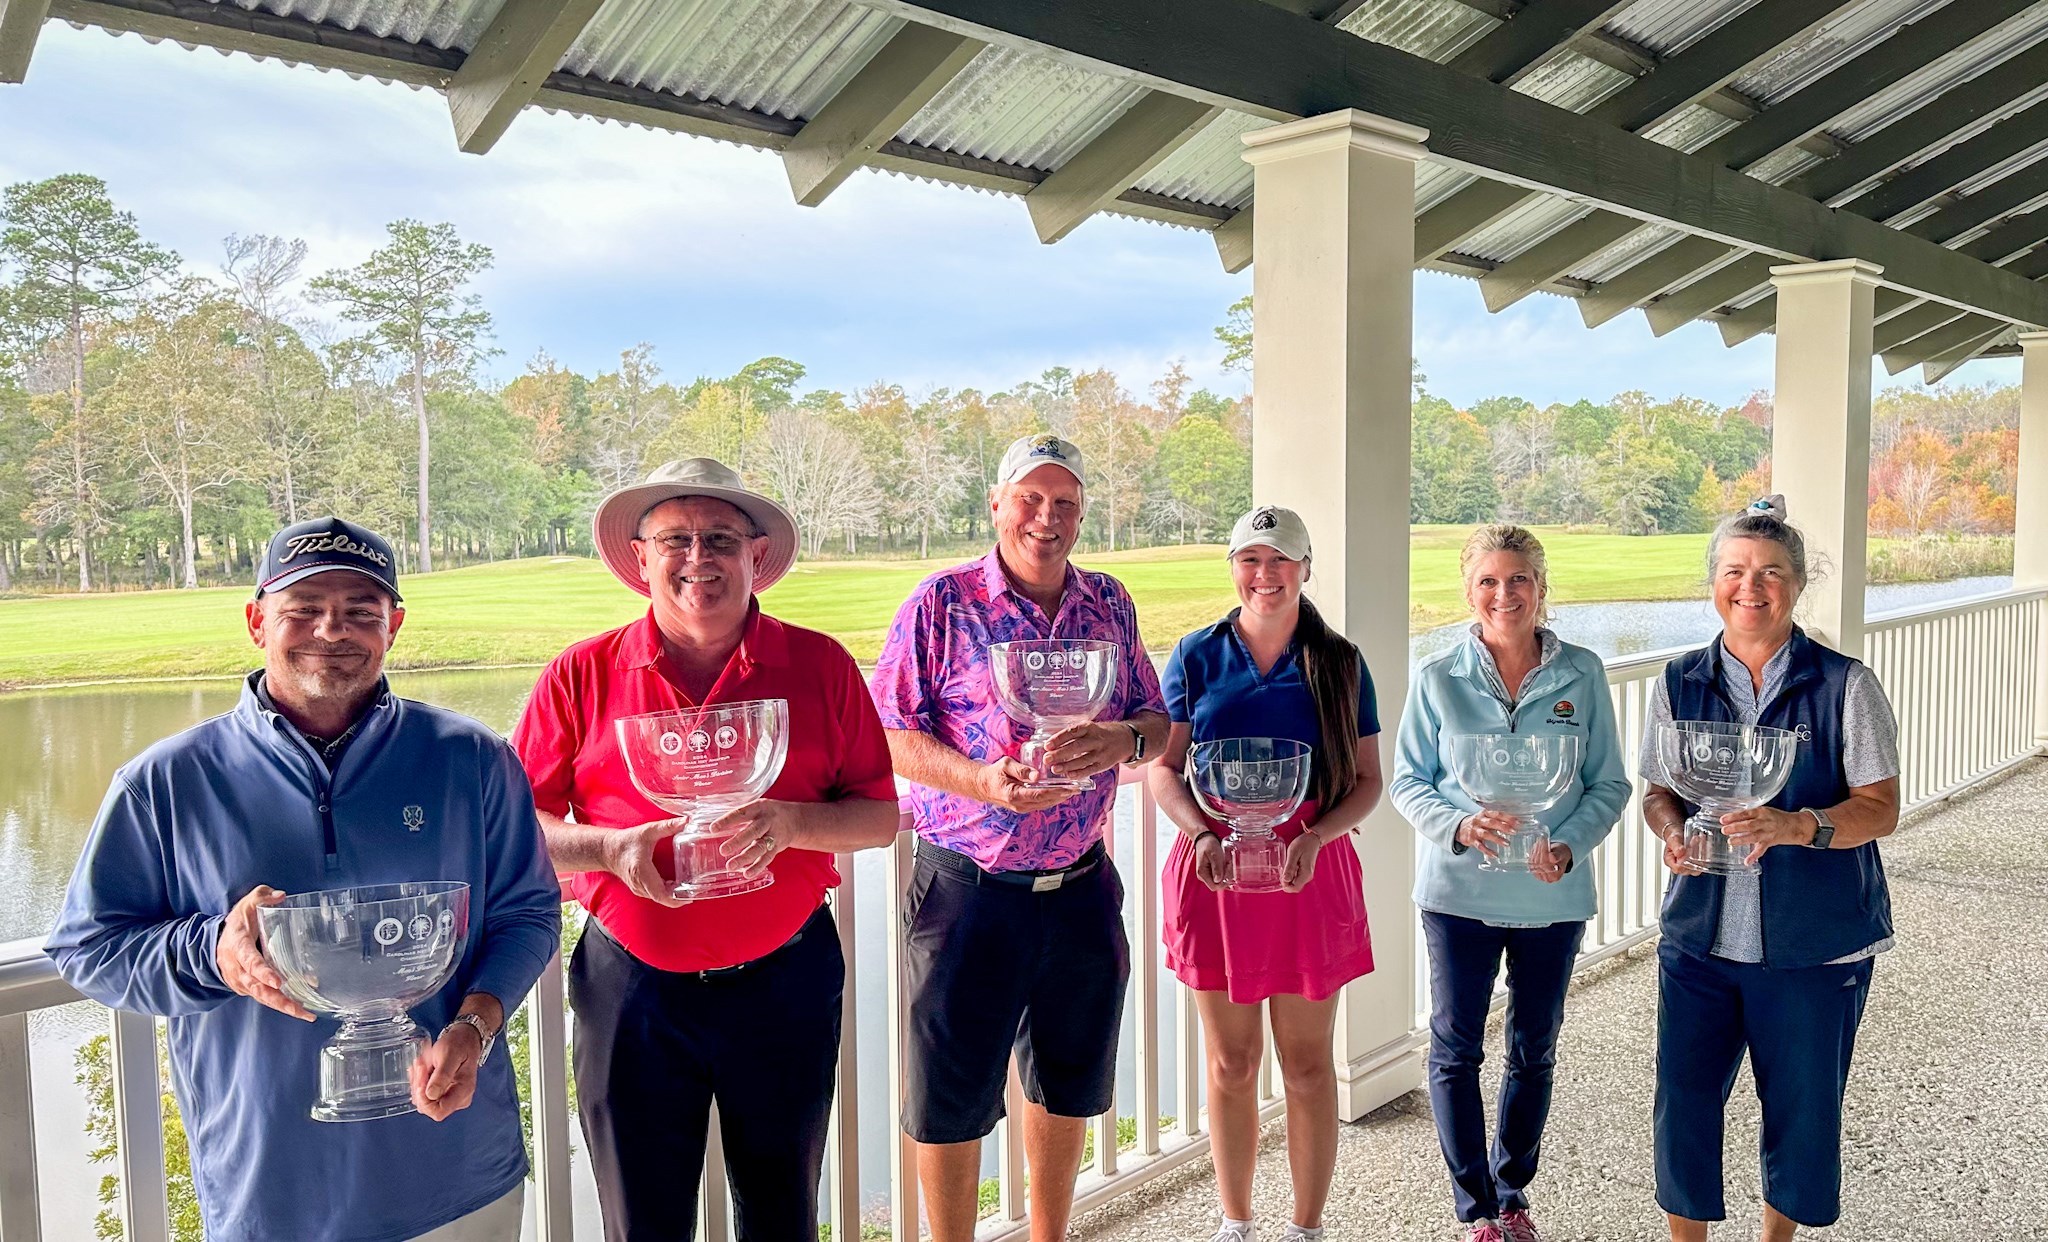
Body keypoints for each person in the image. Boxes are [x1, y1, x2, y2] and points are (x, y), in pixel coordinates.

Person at [45, 516, 562, 1242]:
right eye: (304, 608)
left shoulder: (473, 758)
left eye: (360, 610)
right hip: (270, 1189)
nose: (332, 630)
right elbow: (88, 950)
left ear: (394, 626)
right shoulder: (165, 781)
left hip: (460, 1169)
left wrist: (475, 1024)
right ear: (257, 621)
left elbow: (527, 913)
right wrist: (213, 952)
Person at [511, 458, 900, 1242]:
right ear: (642, 558)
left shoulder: (820, 665)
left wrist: (791, 824)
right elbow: (516, 829)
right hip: (632, 991)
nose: (699, 559)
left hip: (786, 981)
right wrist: (608, 848)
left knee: (783, 1214)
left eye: (720, 538)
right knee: (642, 1223)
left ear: (756, 555)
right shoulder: (580, 674)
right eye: (676, 540)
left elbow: (879, 818)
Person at [870, 433, 1168, 1242]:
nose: (1046, 517)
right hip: (967, 892)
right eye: (1030, 499)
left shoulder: (1109, 602)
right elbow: (888, 731)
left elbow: (1156, 719)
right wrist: (982, 781)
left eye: (1064, 502)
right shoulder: (942, 603)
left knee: (1067, 1085)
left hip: (1080, 887)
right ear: (997, 504)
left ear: (1081, 514)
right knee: (950, 1099)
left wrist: (1122, 741)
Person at [1640, 496, 1899, 1242]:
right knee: (1683, 1106)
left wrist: (1798, 825)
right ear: (1713, 581)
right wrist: (1672, 833)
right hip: (1700, 942)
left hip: (1815, 945)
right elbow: (1659, 792)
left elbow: (1880, 809)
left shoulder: (1845, 685)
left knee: (1801, 1112)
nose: (1750, 587)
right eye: (1734, 571)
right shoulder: (1678, 681)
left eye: (1771, 572)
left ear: (1798, 583)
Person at [1148, 505, 1384, 1242]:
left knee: (1308, 1066)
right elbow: (1163, 769)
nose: (1265, 574)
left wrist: (1316, 836)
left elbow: (1368, 781)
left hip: (1306, 871)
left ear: (1306, 568)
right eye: (1250, 559)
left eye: (1280, 559)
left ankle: (1306, 1229)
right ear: (1233, 568)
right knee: (1231, 1062)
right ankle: (1237, 1223)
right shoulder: (1195, 654)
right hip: (1215, 871)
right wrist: (1199, 832)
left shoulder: (1340, 662)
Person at [1392, 524, 1631, 1242]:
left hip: (1551, 895)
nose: (1505, 594)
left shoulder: (1582, 673)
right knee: (1456, 1049)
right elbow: (1408, 781)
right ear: (1469, 591)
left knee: (1534, 1048)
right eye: (1489, 581)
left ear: (1541, 587)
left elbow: (1609, 784)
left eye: (1519, 578)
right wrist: (1460, 826)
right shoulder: (1438, 676)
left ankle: (1513, 1189)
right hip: (1458, 895)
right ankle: (1476, 1211)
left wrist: (1568, 845)